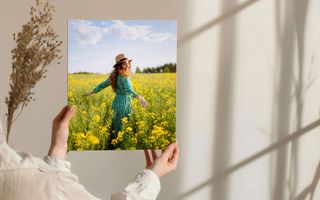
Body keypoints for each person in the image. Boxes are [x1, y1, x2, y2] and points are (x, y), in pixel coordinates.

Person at [0, 105, 179, 199]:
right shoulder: (21, 177)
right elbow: (48, 189)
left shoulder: (16, 174)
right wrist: (152, 176)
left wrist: (58, 149)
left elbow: (50, 192)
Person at [83, 53, 148, 149]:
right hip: (124, 105)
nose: (128, 65)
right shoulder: (123, 78)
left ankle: (115, 145)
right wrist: (140, 98)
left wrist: (91, 92)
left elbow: (102, 85)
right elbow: (130, 91)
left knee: (117, 127)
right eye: (125, 64)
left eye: (128, 63)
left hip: (117, 103)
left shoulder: (114, 76)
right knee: (123, 128)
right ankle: (121, 147)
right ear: (120, 65)